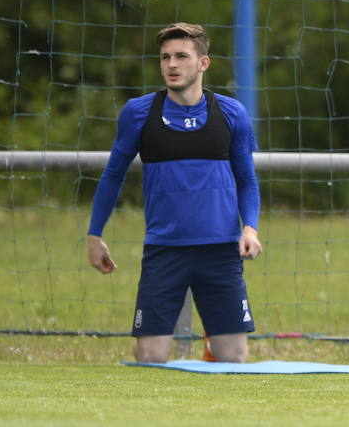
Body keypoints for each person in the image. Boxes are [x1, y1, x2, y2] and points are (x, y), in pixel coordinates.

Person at [87, 22, 262, 363]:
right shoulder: (139, 113)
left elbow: (247, 181)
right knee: (149, 357)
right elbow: (112, 177)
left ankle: (214, 343)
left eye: (182, 56)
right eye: (165, 57)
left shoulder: (231, 113)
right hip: (165, 251)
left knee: (235, 359)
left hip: (221, 252)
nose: (172, 64)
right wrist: (95, 234)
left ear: (203, 63)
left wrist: (250, 228)